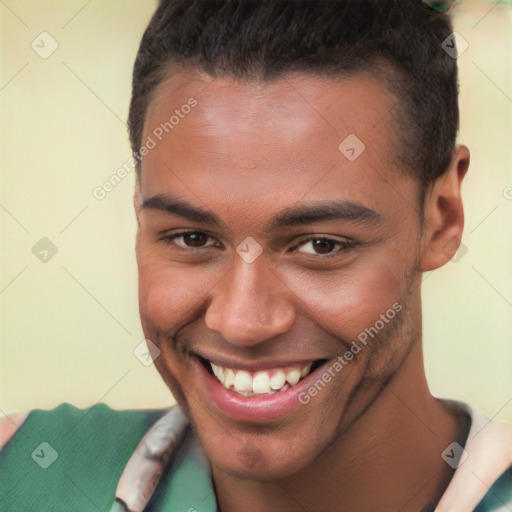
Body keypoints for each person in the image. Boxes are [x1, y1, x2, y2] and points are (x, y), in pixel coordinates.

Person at [1, 0, 511, 510]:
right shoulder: (28, 479)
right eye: (193, 239)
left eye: (321, 246)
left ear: (442, 216)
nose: (242, 323)